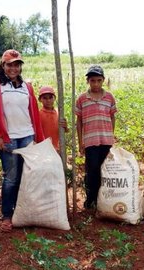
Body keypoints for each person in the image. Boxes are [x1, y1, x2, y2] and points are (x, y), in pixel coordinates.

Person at [0, 49, 44, 232]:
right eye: (10, 64)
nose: (14, 68)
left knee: (27, 176)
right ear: (3, 66)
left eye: (17, 64)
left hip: (27, 135)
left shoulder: (27, 87)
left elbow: (33, 113)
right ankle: (7, 215)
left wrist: (38, 138)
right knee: (11, 177)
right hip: (9, 138)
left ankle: (24, 212)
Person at [75, 65, 117, 209]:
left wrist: (111, 135)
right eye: (93, 81)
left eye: (99, 80)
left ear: (103, 80)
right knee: (91, 169)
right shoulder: (82, 99)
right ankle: (91, 198)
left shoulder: (109, 97)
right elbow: (79, 122)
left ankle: (102, 198)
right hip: (90, 141)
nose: (96, 84)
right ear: (88, 81)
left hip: (106, 140)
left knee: (105, 169)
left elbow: (112, 117)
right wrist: (80, 141)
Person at [38, 86, 68, 151]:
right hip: (44, 149)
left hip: (57, 148)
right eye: (45, 98)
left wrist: (65, 126)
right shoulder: (39, 114)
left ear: (54, 98)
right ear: (40, 100)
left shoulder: (58, 113)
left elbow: (65, 131)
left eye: (50, 97)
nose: (48, 100)